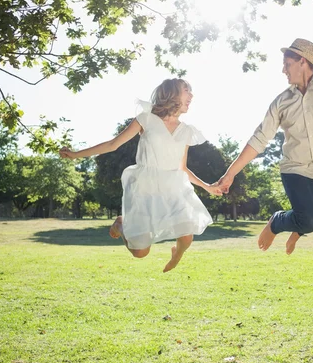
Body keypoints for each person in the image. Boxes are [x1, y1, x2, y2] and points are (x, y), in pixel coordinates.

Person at [218, 0, 313, 255]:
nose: (283, 70)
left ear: (303, 62)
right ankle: (280, 221)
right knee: (311, 218)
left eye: (287, 64)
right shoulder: (281, 102)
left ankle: (302, 225)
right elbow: (259, 139)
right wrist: (231, 173)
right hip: (296, 172)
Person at [60, 78, 222, 272]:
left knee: (187, 237)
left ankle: (176, 254)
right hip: (145, 187)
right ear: (172, 93)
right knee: (140, 253)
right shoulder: (146, 119)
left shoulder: (186, 131)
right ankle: (122, 225)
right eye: (187, 90)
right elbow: (113, 144)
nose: (192, 95)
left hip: (173, 189)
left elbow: (183, 168)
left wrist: (208, 187)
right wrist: (76, 154)